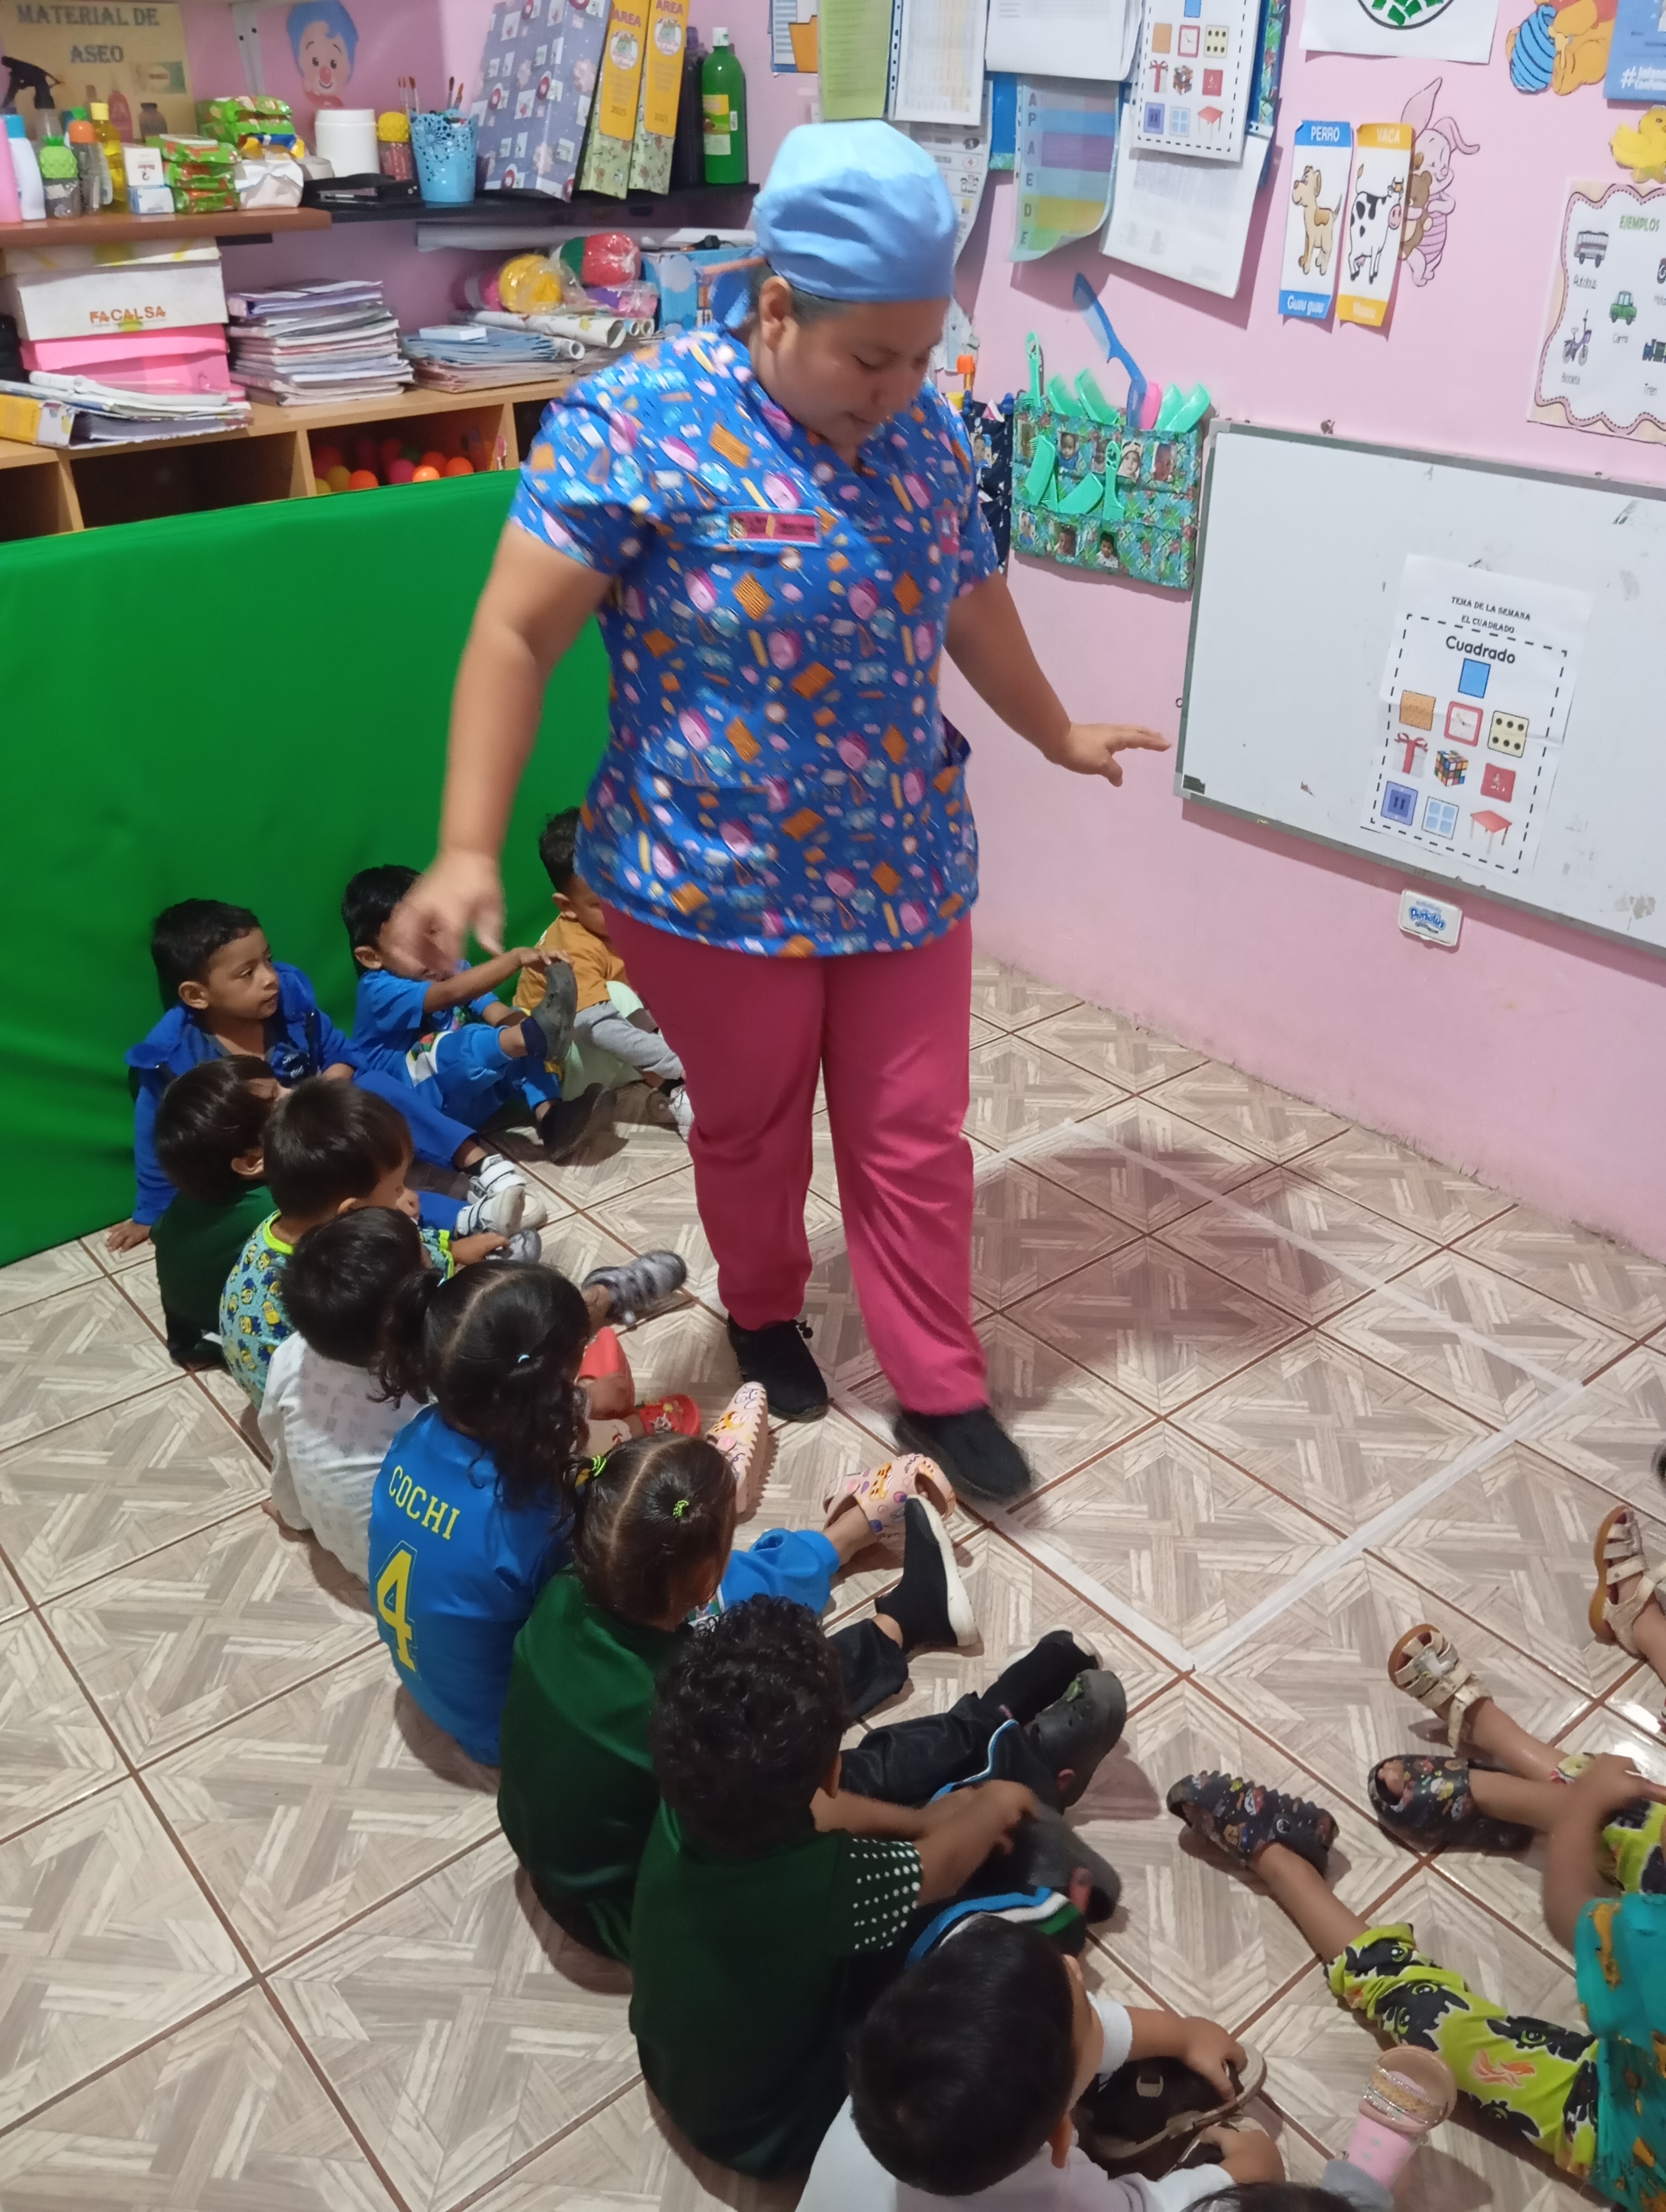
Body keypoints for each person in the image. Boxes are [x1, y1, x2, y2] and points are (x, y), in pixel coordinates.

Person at [387, 121, 1168, 1507]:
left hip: (902, 863)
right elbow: (515, 632)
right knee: (749, 1126)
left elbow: (971, 596)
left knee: (913, 1134)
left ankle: (938, 1381)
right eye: (870, 358)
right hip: (706, 881)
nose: (898, 389)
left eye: (921, 355)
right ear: (774, 306)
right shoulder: (635, 424)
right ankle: (759, 1307)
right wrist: (462, 843)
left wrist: (1051, 728)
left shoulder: (924, 438)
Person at [497, 1419, 1086, 1957]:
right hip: (627, 1911)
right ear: (707, 1580)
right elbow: (818, 1806)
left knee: (779, 1684)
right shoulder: (685, 1705)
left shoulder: (563, 1595)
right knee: (814, 1764)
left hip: (558, 1865)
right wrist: (920, 1827)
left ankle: (907, 1623)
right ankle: (995, 1728)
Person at [628, 1595, 1126, 2177]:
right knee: (951, 1937)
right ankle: (1056, 1899)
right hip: (786, 2127)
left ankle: (1004, 1741)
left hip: (683, 2073)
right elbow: (939, 1871)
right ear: (829, 1769)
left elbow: (826, 1808)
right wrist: (990, 1808)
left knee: (892, 1800)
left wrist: (920, 1822)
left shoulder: (691, 1798)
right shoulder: (824, 1886)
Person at [1167, 1716, 1666, 2208]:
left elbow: (1571, 1912)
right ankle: (1507, 1749)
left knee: (1432, 2019)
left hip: (1616, 2124)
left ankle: (1284, 1860)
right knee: (1640, 1818)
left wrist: (1579, 1817)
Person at [368, 1257, 683, 1765]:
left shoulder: (415, 1435)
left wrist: (580, 1404)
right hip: (509, 1731)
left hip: (435, 1693)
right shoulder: (538, 1515)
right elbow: (606, 1598)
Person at [113, 898, 535, 1253]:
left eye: (268, 960)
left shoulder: (291, 1004)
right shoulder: (174, 1058)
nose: (269, 979)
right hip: (280, 1166)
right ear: (196, 994)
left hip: (325, 1119)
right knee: (338, 1201)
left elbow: (344, 1054)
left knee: (374, 1085)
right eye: (247, 973)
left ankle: (480, 1165)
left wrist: (324, 1091)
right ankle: (466, 1224)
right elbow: (157, 1136)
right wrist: (150, 1213)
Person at [804, 1918, 1277, 2211]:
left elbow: (1081, 2033)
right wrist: (1238, 2176)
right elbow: (1148, 2208)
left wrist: (1183, 2035)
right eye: (1086, 2004)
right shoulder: (1055, 2198)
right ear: (1061, 2137)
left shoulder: (890, 2087)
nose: (1074, 1964)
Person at [218, 1077, 503, 1405]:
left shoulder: (283, 1225)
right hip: (339, 1406)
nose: (408, 1194)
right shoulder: (340, 1273)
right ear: (351, 1212)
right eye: (397, 1187)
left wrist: (451, 1250)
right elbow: (399, 1293)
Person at [343, 862, 604, 1164]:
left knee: (514, 1027)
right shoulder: (378, 990)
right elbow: (449, 994)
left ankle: (553, 1120)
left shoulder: (451, 968)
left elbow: (494, 1011)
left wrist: (540, 1031)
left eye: (435, 930)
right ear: (371, 957)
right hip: (419, 1112)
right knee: (454, 1045)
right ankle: (528, 1038)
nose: (434, 949)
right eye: (413, 943)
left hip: (473, 1100)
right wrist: (515, 959)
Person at [512, 810, 691, 1136]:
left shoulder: (632, 921)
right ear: (568, 907)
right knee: (618, 996)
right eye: (601, 903)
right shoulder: (571, 948)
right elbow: (597, 1028)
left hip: (612, 1053)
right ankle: (677, 1090)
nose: (621, 909)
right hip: (561, 1068)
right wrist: (681, 1064)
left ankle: (681, 1083)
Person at [150, 1056, 279, 1367]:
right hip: (217, 1332)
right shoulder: (276, 1208)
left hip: (183, 1323)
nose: (295, 1094)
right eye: (277, 1101)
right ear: (252, 1162)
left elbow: (160, 1233)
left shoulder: (197, 1188)